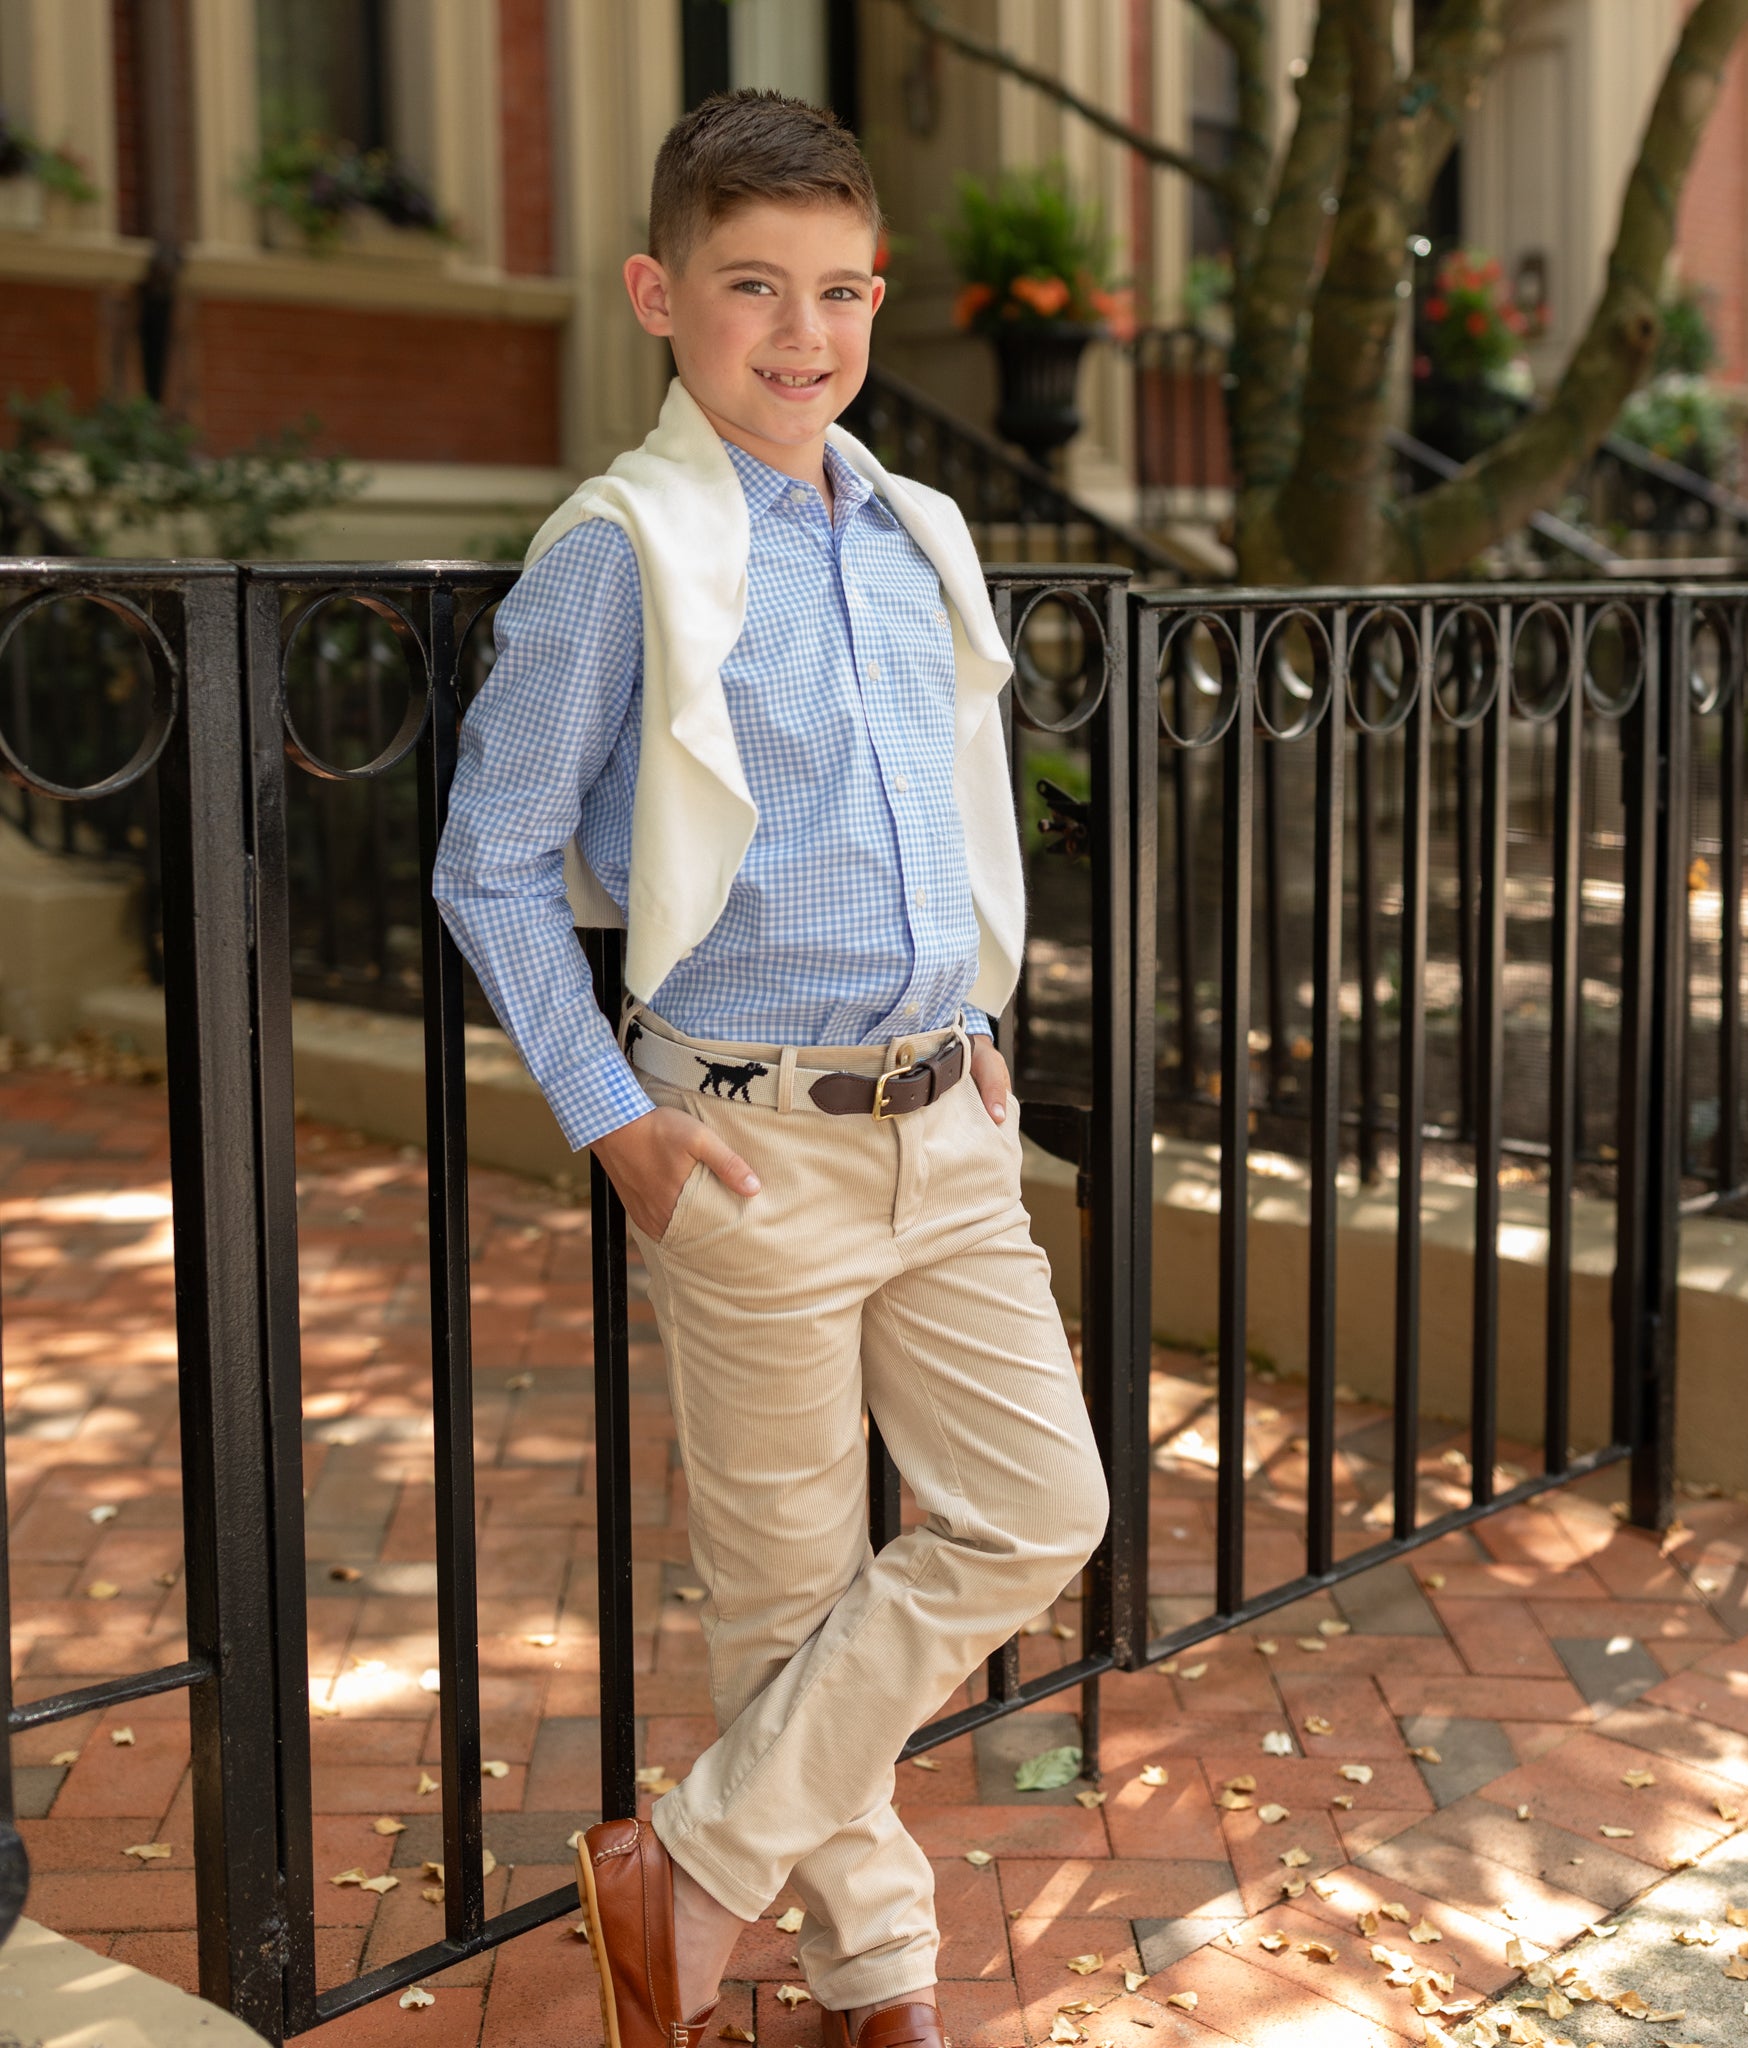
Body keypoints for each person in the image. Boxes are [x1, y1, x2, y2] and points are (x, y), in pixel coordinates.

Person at [432, 87, 1109, 2048]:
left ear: (876, 297)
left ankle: (696, 1866)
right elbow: (490, 860)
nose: (799, 333)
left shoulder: (919, 535)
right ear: (661, 293)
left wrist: (978, 1028)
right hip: (739, 1141)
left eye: (836, 291)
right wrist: (613, 1125)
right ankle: (873, 1983)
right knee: (788, 1584)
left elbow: (946, 815)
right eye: (750, 287)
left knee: (1033, 1509)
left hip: (941, 1123)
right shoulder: (616, 549)